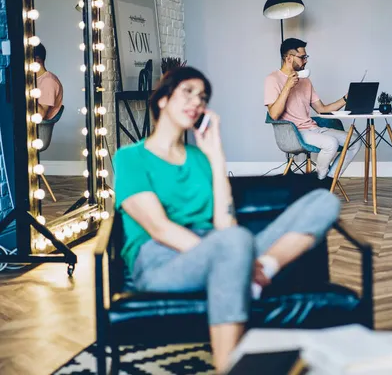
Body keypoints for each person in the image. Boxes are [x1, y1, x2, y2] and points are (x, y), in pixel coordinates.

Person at [113, 66, 341, 373]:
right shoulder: (130, 157)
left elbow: (224, 224)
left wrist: (216, 155)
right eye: (188, 93)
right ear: (164, 99)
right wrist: (234, 253)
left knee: (322, 200)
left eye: (202, 97)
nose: (197, 102)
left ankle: (261, 271)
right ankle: (227, 366)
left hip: (222, 249)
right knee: (234, 241)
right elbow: (159, 228)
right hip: (159, 260)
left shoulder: (201, 159)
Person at [264, 38, 360, 182]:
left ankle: (328, 179)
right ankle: (318, 182)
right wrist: (287, 86)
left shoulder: (306, 81)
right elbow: (274, 114)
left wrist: (346, 98)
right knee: (331, 143)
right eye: (302, 57)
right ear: (289, 58)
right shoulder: (273, 79)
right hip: (295, 133)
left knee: (354, 141)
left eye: (306, 57)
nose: (306, 61)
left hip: (313, 128)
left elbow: (322, 109)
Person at [33, 43, 63, 120]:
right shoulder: (35, 79)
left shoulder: (48, 81)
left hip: (38, 129)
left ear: (37, 60)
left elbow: (40, 114)